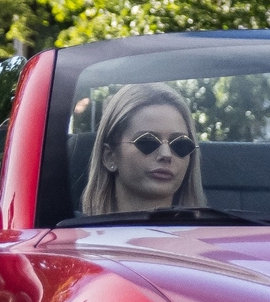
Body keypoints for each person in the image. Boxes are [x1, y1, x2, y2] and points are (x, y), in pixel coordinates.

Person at [82, 82, 206, 214]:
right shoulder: (71, 233)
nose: (166, 154)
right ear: (109, 156)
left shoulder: (217, 232)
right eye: (148, 141)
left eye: (180, 144)